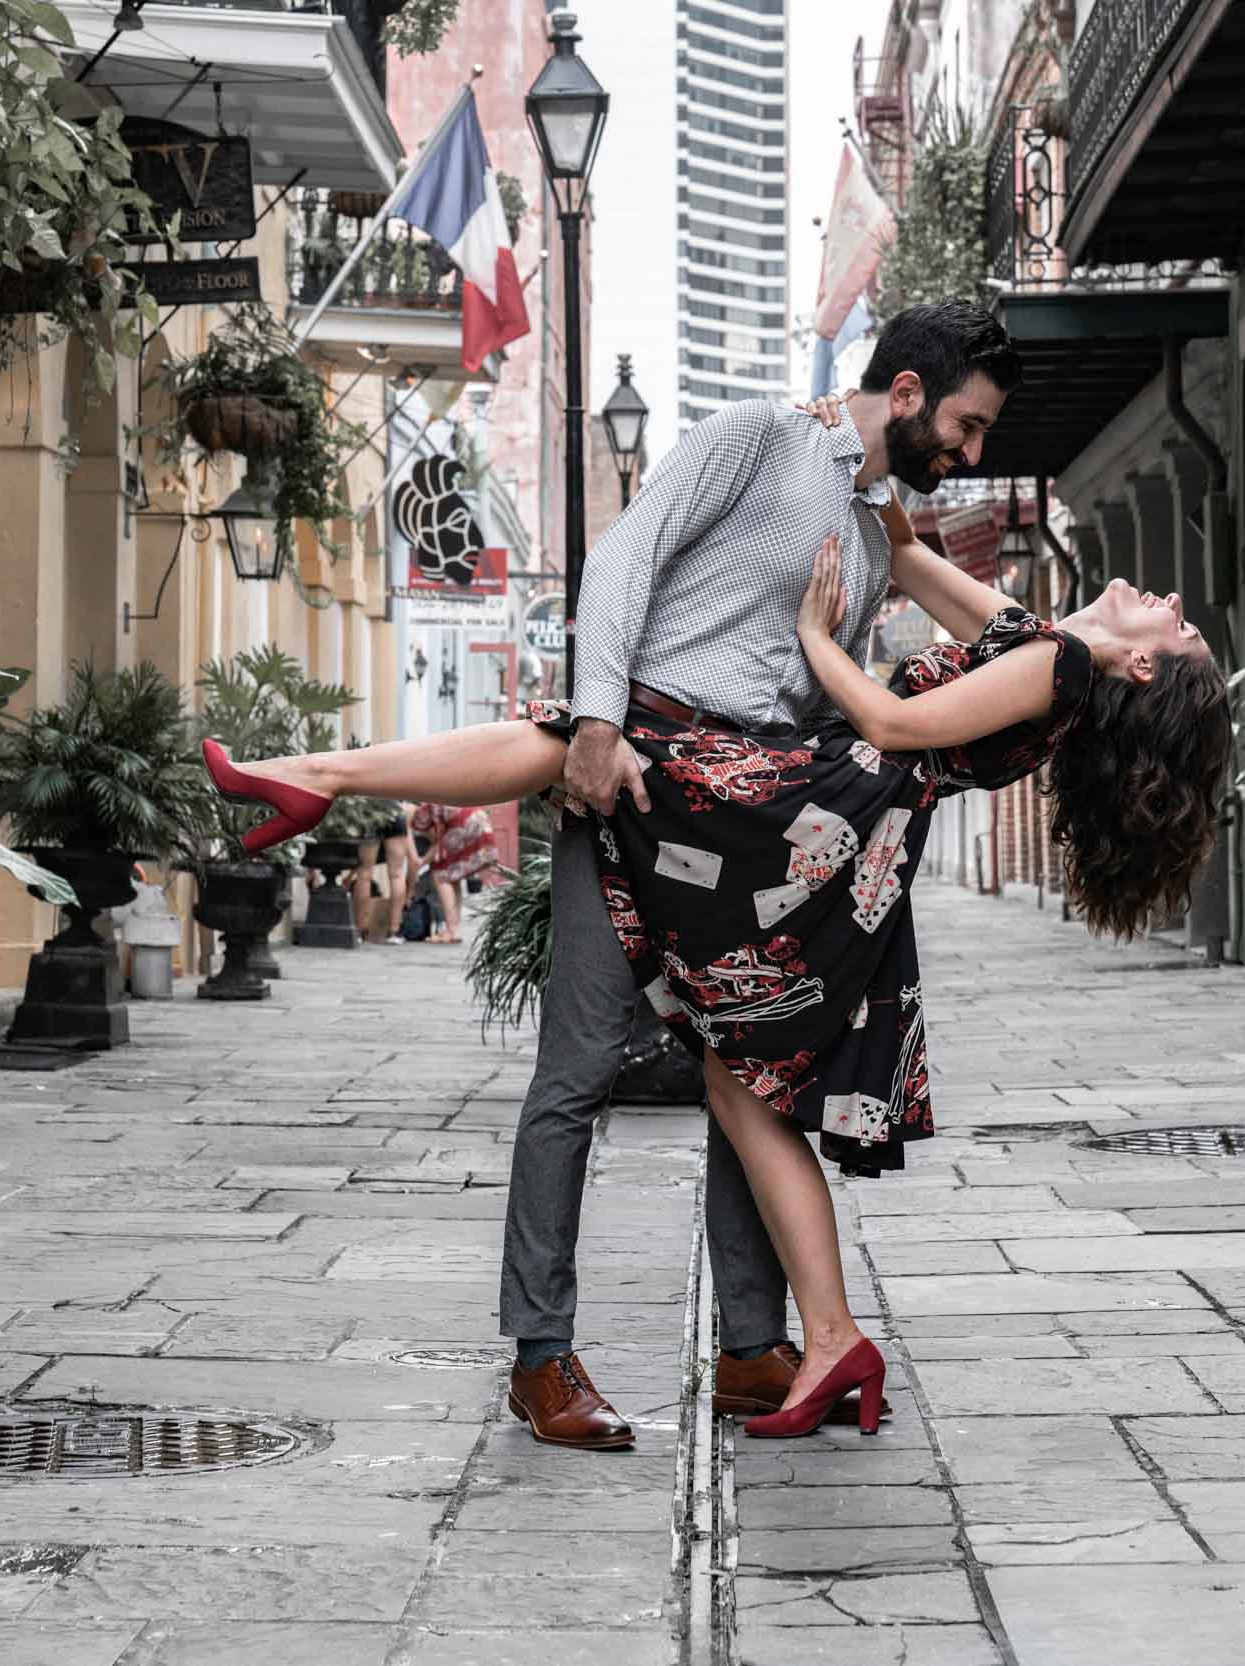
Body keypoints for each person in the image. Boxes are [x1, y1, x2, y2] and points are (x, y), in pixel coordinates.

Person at [205, 527, 1231, 1436]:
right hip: (826, 821)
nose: (1177, 604)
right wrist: (844, 446)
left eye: (1179, 632)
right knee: (741, 1073)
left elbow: (894, 724)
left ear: (1140, 668)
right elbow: (908, 552)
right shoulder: (1039, 639)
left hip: (808, 811)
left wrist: (819, 637)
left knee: (596, 741)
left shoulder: (1059, 664)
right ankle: (791, 1342)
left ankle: (322, 774)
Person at [210, 301, 1023, 1448]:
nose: (972, 451)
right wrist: (595, 722)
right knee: (579, 1070)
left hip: (755, 832)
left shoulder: (881, 531)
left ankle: (752, 1348)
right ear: (903, 393)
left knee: (757, 1074)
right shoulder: (756, 436)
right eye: (966, 424)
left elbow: (888, 665)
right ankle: (541, 1358)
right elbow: (625, 558)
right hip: (639, 793)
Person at [409, 802, 496, 945]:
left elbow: (438, 844)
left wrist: (420, 862)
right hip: (478, 819)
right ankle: (454, 929)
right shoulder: (432, 804)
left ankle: (450, 931)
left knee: (440, 875)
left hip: (465, 824)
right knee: (453, 876)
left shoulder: (426, 811)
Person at [366, 809, 415, 944]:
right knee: (397, 874)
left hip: (371, 811)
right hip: (395, 813)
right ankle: (394, 931)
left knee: (365, 873)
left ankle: (360, 931)